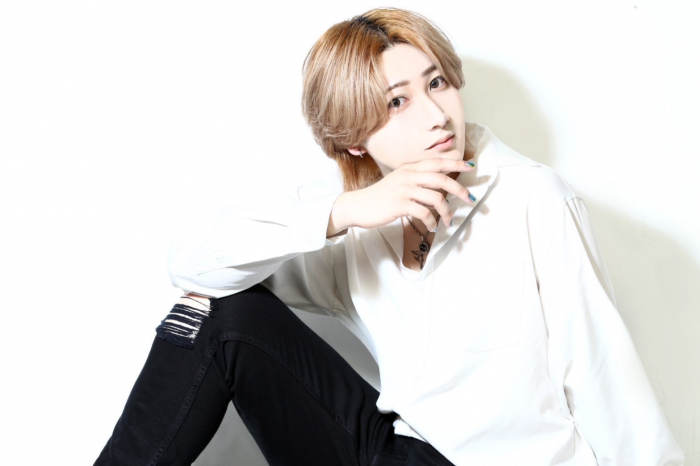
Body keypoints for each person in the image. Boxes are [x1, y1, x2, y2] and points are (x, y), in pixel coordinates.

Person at [94, 7, 685, 466]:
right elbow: (195, 267)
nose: (436, 115)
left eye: (437, 83)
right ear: (354, 139)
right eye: (398, 101)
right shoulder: (359, 219)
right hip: (397, 454)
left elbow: (608, 383)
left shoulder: (534, 199)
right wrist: (345, 212)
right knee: (222, 315)